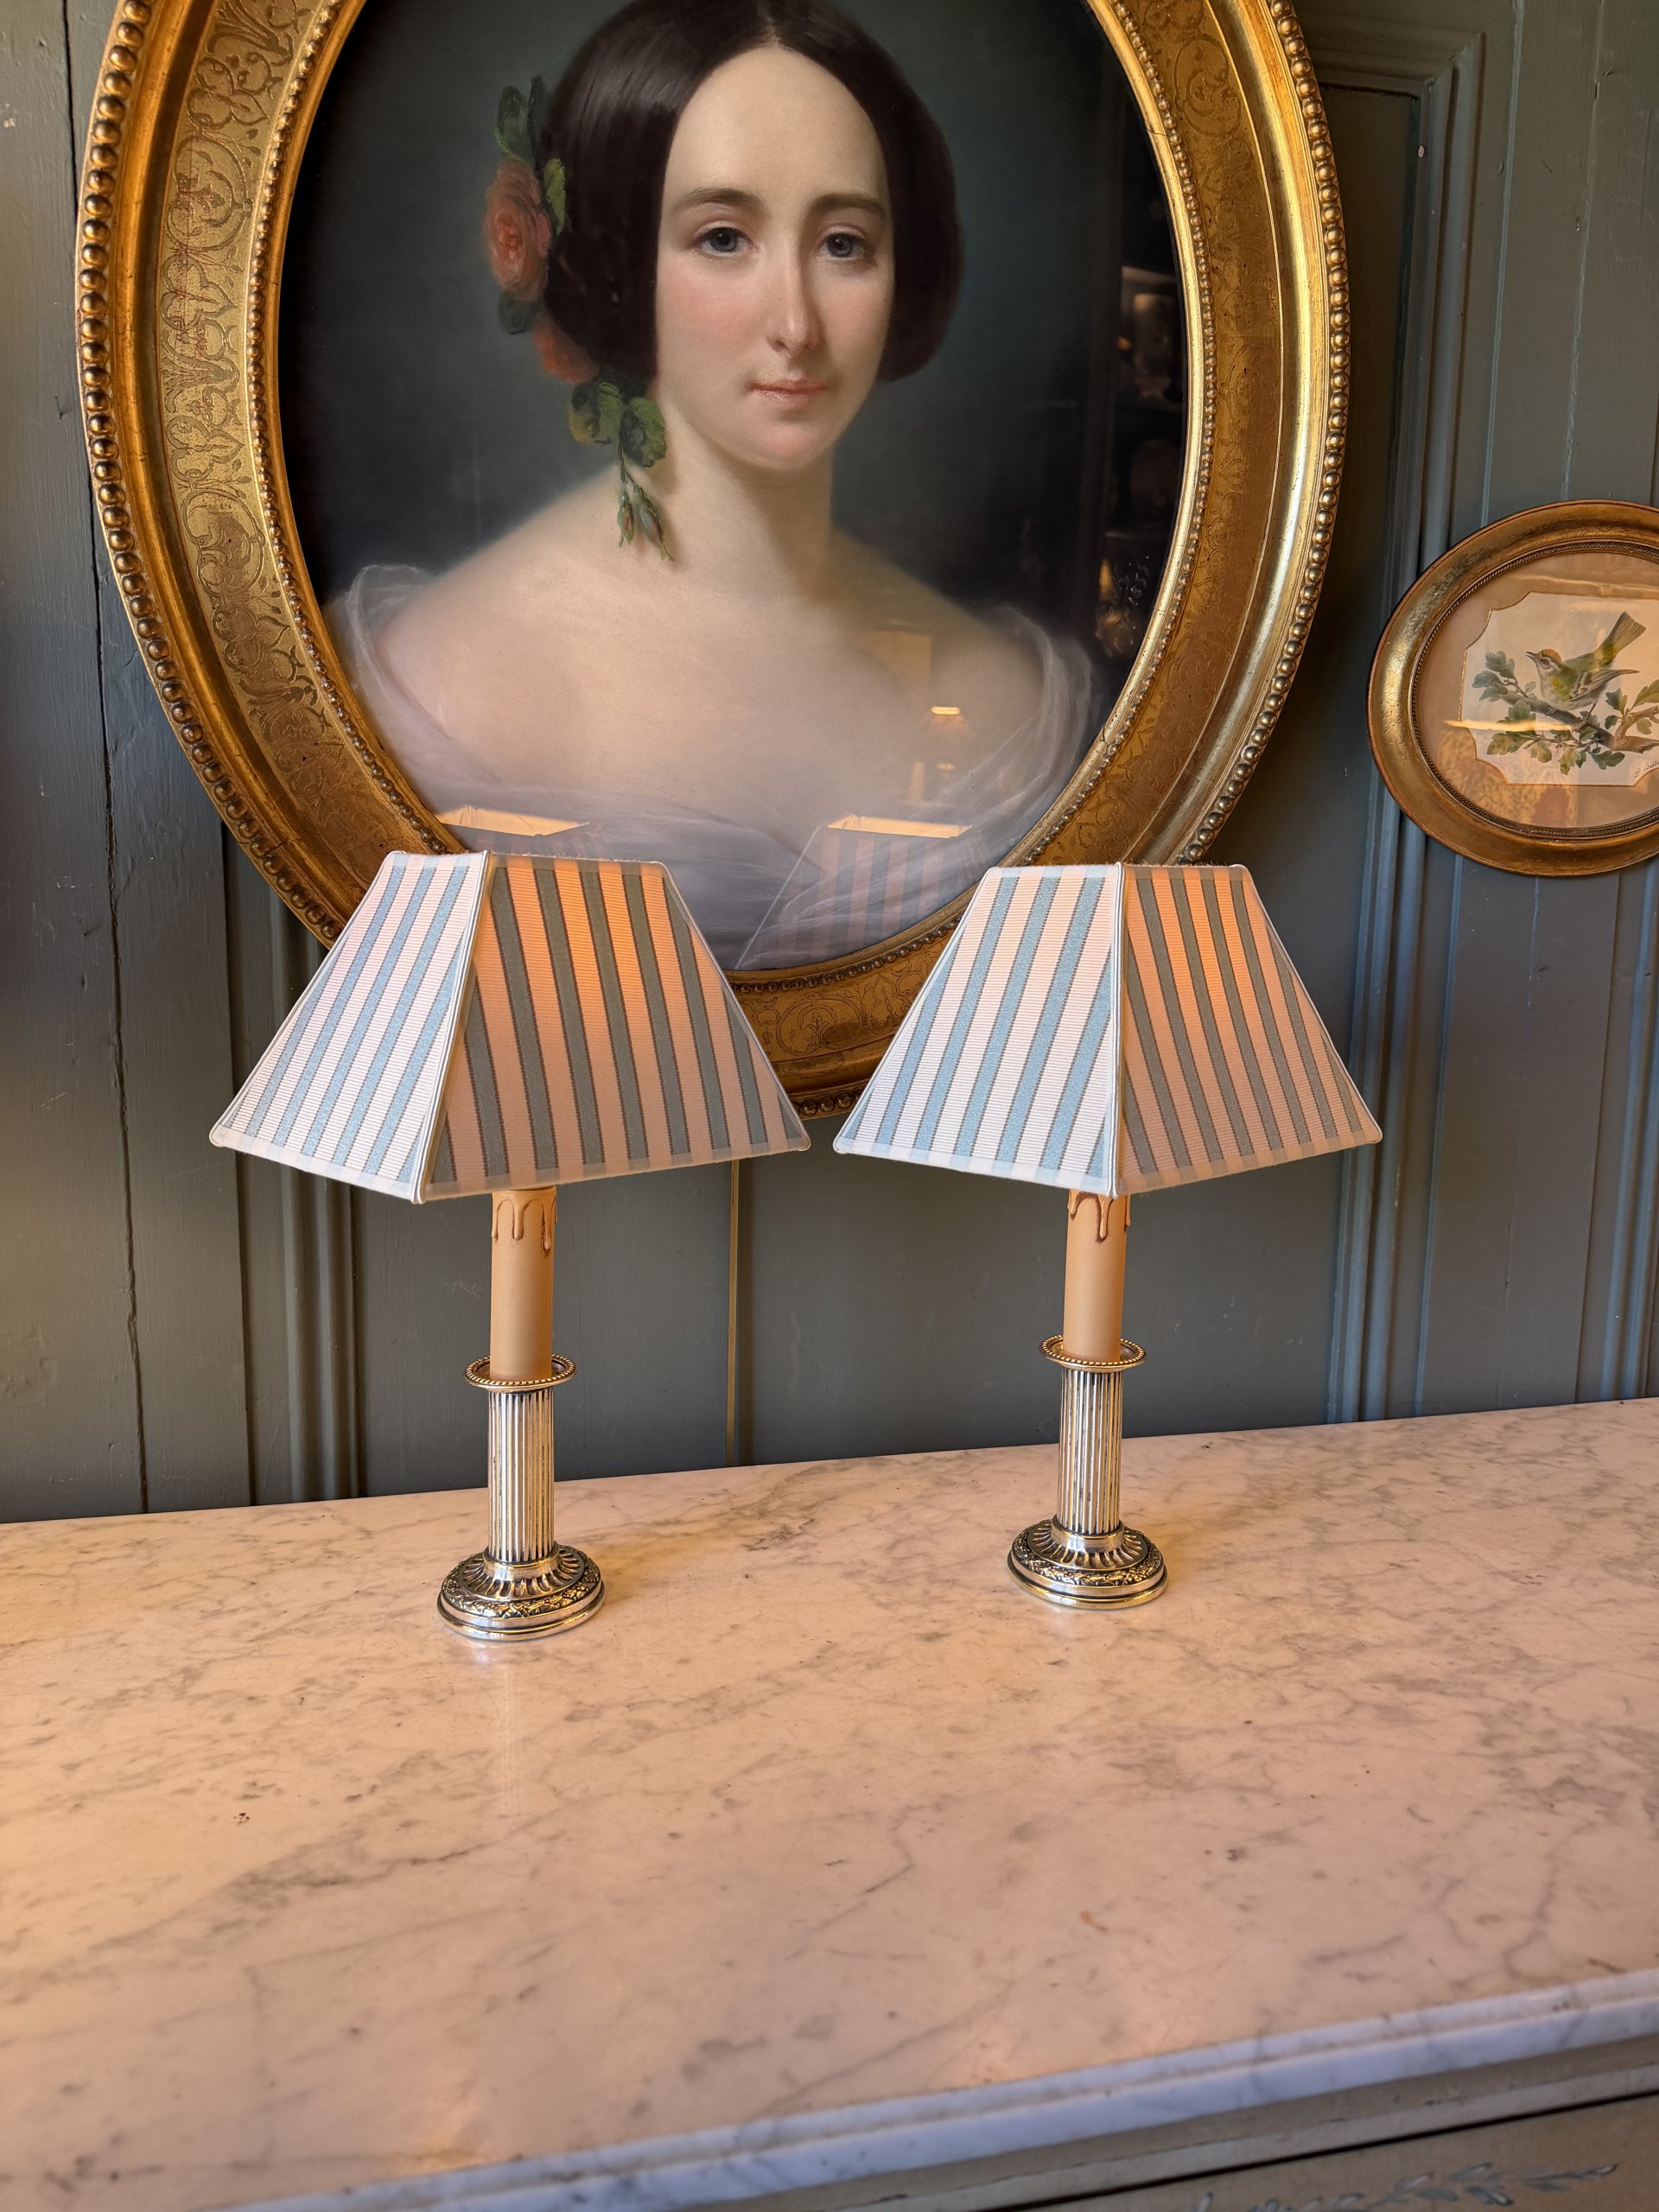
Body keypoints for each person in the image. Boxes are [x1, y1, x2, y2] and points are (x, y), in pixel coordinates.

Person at [333, 0, 1098, 969]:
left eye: (843, 244)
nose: (796, 325)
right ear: (620, 266)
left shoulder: (1003, 698)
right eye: (724, 238)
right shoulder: (445, 678)